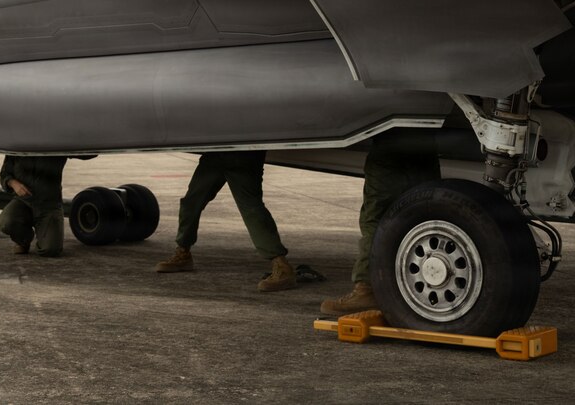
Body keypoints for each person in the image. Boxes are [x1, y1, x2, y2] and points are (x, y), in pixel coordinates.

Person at [320, 133, 440, 315]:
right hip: (425, 141)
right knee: (424, 214)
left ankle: (366, 289)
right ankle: (428, 283)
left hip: (390, 140)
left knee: (375, 219)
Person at [155, 150, 296, 292]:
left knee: (251, 209)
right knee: (191, 202)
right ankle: (183, 252)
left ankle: (282, 266)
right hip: (216, 153)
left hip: (245, 153)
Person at [0, 155, 69, 257]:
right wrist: (13, 183)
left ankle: (45, 234)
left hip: (49, 204)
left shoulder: (55, 143)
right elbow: (5, 173)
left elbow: (87, 154)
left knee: (50, 250)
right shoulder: (18, 145)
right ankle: (24, 240)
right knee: (6, 223)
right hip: (23, 201)